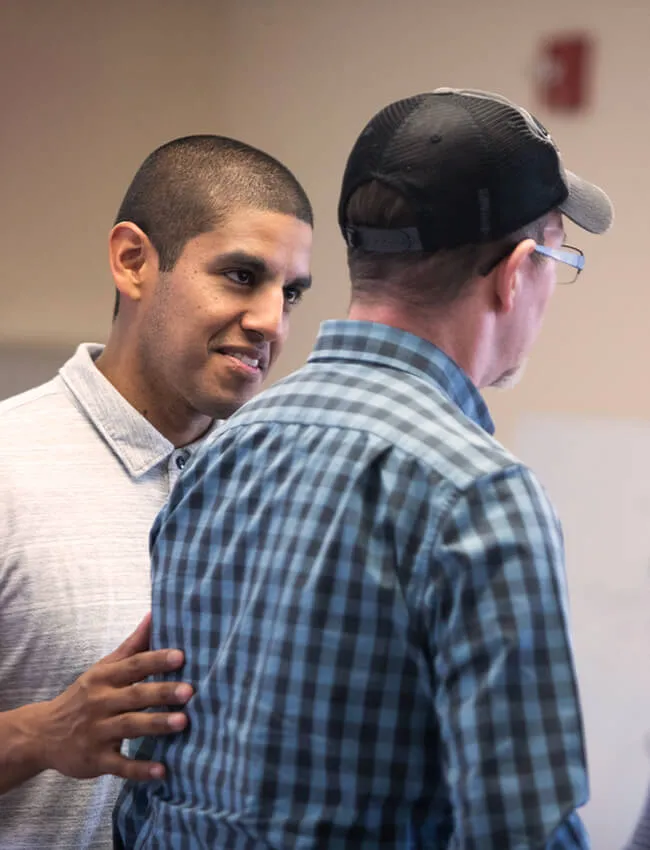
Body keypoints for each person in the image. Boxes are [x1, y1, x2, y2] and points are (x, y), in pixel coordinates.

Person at [115, 89, 613, 848]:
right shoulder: (478, 494)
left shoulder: (218, 459)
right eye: (557, 257)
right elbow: (521, 832)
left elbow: (147, 788)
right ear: (516, 273)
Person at [0, 134, 313, 850]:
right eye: (241, 276)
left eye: (289, 293)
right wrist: (39, 734)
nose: (273, 321)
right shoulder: (7, 467)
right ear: (133, 261)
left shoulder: (274, 496)